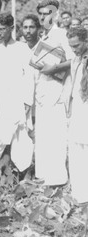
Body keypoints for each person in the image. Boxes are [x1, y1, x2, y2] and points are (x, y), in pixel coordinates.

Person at [0, 12, 34, 175]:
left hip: (18, 100)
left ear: (11, 28)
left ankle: (23, 173)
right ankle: (5, 174)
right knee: (1, 137)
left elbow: (29, 76)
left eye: (2, 29)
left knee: (20, 136)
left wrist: (28, 101)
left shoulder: (22, 49)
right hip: (0, 100)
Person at [33, 0, 74, 186]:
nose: (43, 17)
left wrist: (53, 68)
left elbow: (74, 60)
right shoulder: (44, 36)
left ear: (55, 15)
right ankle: (45, 178)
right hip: (43, 91)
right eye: (41, 14)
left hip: (57, 91)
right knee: (44, 136)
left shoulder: (61, 34)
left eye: (47, 13)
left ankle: (58, 179)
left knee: (56, 136)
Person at [66, 27, 88, 208]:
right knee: (75, 151)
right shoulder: (75, 60)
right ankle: (79, 194)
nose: (74, 49)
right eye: (71, 46)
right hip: (78, 109)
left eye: (77, 45)